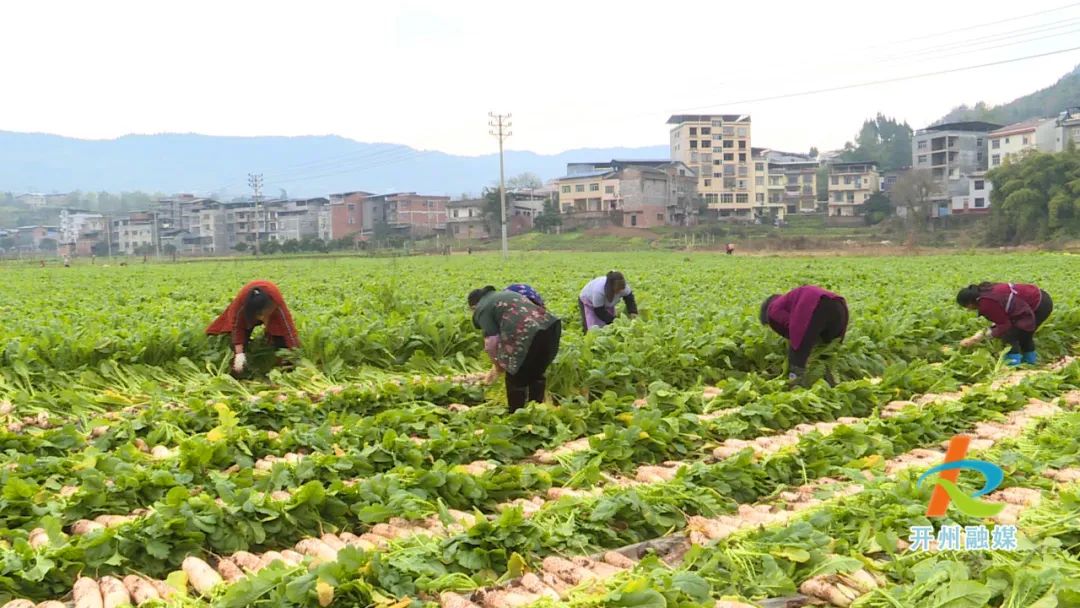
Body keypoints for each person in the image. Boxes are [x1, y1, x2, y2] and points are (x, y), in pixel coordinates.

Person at [468, 286, 561, 413]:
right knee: (536, 373)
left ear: (473, 307)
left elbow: (491, 342)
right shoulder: (505, 295)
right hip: (550, 328)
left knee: (515, 376)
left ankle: (517, 415)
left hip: (525, 333)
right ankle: (536, 412)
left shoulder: (482, 308)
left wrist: (498, 365)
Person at [760, 285, 848, 386]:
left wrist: (796, 352)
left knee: (797, 356)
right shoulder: (790, 300)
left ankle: (795, 387)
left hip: (817, 306)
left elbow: (796, 328)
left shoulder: (772, 309)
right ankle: (831, 385)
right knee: (827, 351)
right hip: (839, 307)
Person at [206, 281, 299, 375]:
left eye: (264, 315)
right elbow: (237, 327)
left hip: (271, 304)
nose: (262, 319)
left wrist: (295, 352)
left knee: (280, 336)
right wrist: (239, 354)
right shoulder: (241, 306)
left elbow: (288, 329)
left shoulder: (276, 302)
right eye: (259, 315)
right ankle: (240, 369)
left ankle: (285, 367)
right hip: (246, 309)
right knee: (238, 339)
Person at [956, 282, 1053, 366]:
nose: (968, 309)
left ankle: (1013, 366)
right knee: (1024, 334)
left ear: (970, 302)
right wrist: (983, 334)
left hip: (1038, 304)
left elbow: (1004, 326)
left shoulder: (986, 303)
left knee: (1010, 335)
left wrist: (986, 335)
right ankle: (1030, 363)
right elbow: (1001, 318)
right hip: (1040, 297)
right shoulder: (984, 292)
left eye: (966, 306)